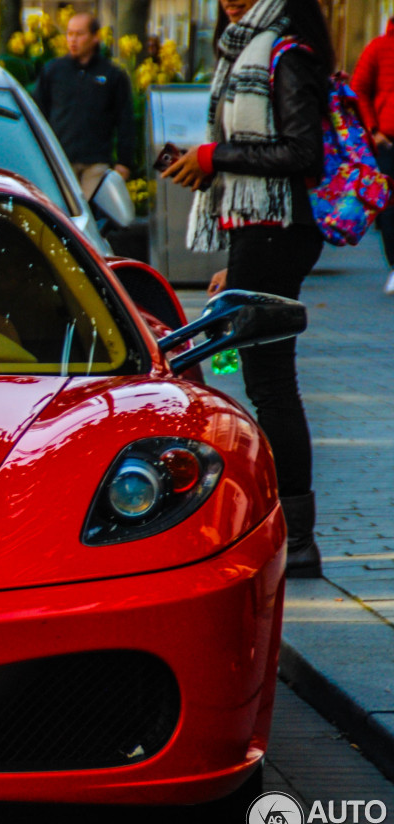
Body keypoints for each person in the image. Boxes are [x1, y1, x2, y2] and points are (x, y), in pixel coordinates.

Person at [162, 0, 332, 578]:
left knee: (272, 384)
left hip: (277, 227)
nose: (230, 0)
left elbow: (303, 152)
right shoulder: (243, 48)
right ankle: (295, 534)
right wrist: (239, 268)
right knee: (269, 382)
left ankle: (299, 538)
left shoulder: (285, 53)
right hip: (259, 232)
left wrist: (213, 157)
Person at [34, 13, 137, 200]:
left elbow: (125, 120)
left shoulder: (112, 74)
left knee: (89, 214)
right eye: (69, 34)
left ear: (95, 37)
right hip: (61, 160)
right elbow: (38, 112)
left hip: (96, 162)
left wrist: (124, 162)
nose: (73, 40)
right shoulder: (53, 71)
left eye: (79, 34)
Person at [352, 16, 394, 294]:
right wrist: (374, 130)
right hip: (389, 143)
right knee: (390, 210)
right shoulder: (379, 47)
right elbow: (358, 90)